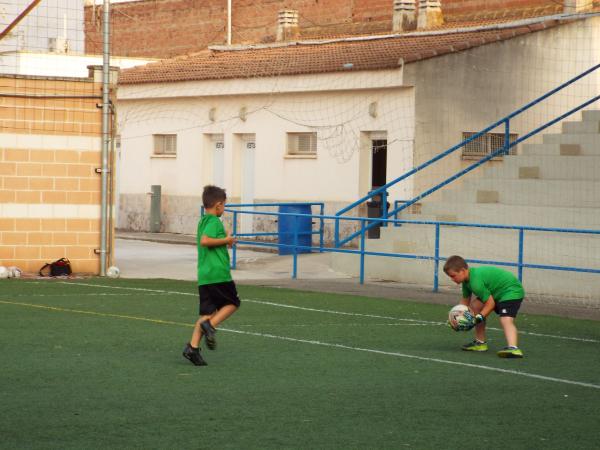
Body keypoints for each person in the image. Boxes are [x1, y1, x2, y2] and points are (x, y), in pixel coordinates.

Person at [183, 185, 240, 366]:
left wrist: (224, 243)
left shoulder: (203, 221)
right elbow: (205, 241)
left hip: (205, 275)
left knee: (206, 313)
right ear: (218, 205)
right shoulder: (215, 221)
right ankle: (211, 326)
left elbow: (208, 242)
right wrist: (227, 240)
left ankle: (192, 348)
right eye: (223, 205)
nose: (223, 209)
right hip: (218, 274)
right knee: (232, 303)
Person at [443, 255, 525, 358]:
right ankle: (480, 343)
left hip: (510, 291)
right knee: (475, 306)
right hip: (496, 292)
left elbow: (490, 304)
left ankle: (513, 348)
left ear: (463, 271)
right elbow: (464, 303)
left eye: (453, 276)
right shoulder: (466, 282)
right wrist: (454, 318)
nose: (451, 279)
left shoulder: (475, 282)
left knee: (506, 319)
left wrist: (479, 317)